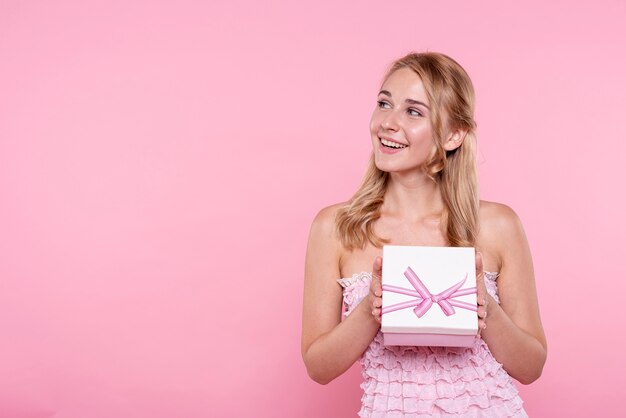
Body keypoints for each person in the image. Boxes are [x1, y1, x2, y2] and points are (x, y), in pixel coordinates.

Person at [300, 52, 547, 417]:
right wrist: (371, 309)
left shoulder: (497, 226)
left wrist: (486, 310)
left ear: (453, 134)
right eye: (384, 104)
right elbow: (318, 367)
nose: (387, 122)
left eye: (413, 111)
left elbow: (531, 367)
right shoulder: (336, 228)